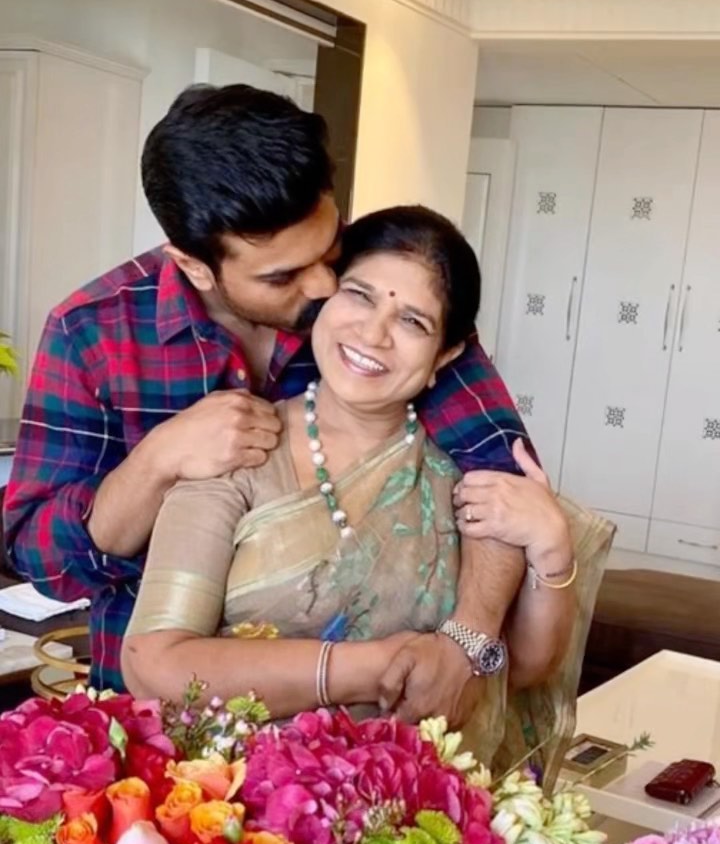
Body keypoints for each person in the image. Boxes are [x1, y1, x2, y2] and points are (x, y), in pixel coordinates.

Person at [4, 84, 563, 721]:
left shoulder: (376, 288)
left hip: (385, 727)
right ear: (194, 266)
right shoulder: (95, 333)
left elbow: (503, 478)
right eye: (283, 276)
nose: (324, 285)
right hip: (171, 727)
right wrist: (157, 462)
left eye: (329, 252)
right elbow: (44, 560)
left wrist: (464, 645)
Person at [122, 206, 575, 732]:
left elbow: (518, 668)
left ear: (445, 356)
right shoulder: (236, 448)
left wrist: (552, 549)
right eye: (359, 295)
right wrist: (371, 668)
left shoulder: (462, 476)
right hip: (235, 780)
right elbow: (154, 664)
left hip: (419, 780)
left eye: (412, 321)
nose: (374, 334)